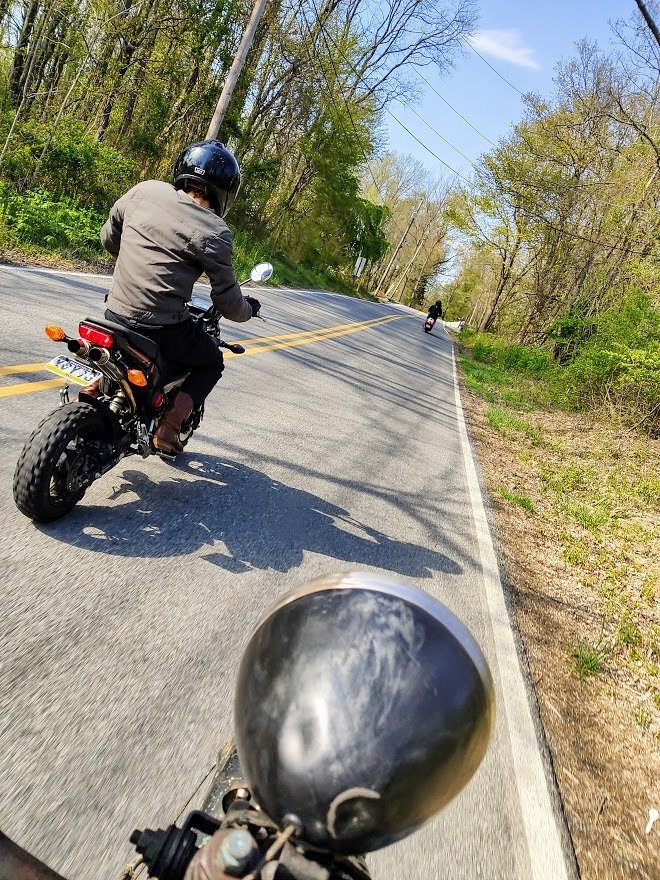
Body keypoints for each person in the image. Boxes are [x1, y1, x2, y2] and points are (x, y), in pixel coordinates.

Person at [97, 139, 261, 455]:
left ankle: (94, 389)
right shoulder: (215, 230)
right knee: (212, 361)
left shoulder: (144, 191)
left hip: (114, 311)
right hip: (159, 325)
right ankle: (168, 428)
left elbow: (109, 239)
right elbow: (228, 302)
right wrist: (249, 309)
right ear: (224, 191)